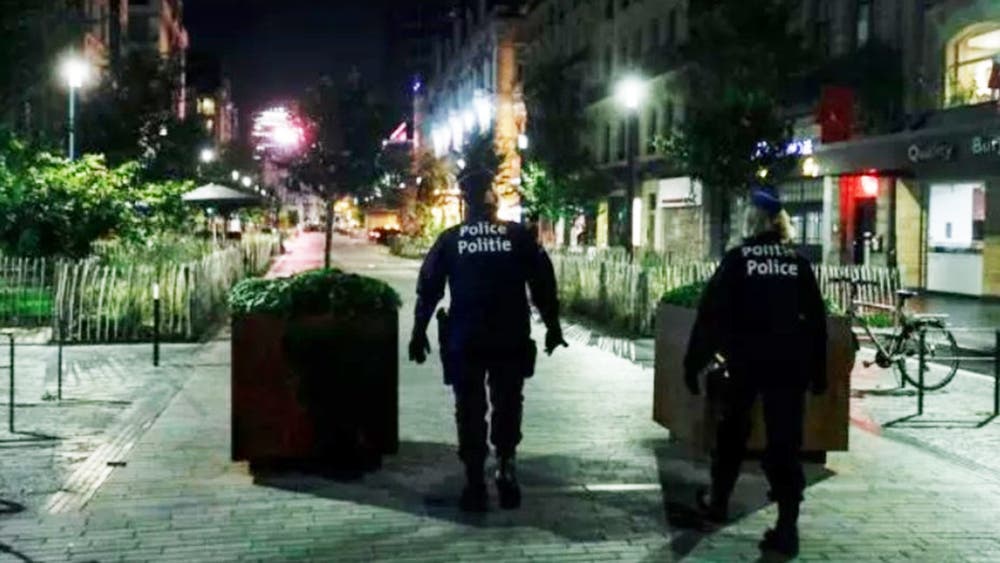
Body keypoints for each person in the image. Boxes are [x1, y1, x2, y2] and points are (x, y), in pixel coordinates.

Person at [408, 169, 568, 512]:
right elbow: (543, 283)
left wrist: (418, 331)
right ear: (492, 198)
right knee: (507, 404)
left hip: (466, 338)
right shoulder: (518, 236)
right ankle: (506, 468)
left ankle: (474, 481)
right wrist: (553, 326)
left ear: (465, 202)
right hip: (509, 336)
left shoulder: (451, 239)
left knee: (469, 409)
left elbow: (429, 288)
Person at [683, 185, 828, 558]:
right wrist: (819, 371)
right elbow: (816, 321)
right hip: (789, 367)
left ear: (753, 220)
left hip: (745, 362)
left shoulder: (738, 260)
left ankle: (718, 504)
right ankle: (787, 526)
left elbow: (710, 315)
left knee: (732, 434)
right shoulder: (797, 263)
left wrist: (693, 362)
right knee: (785, 444)